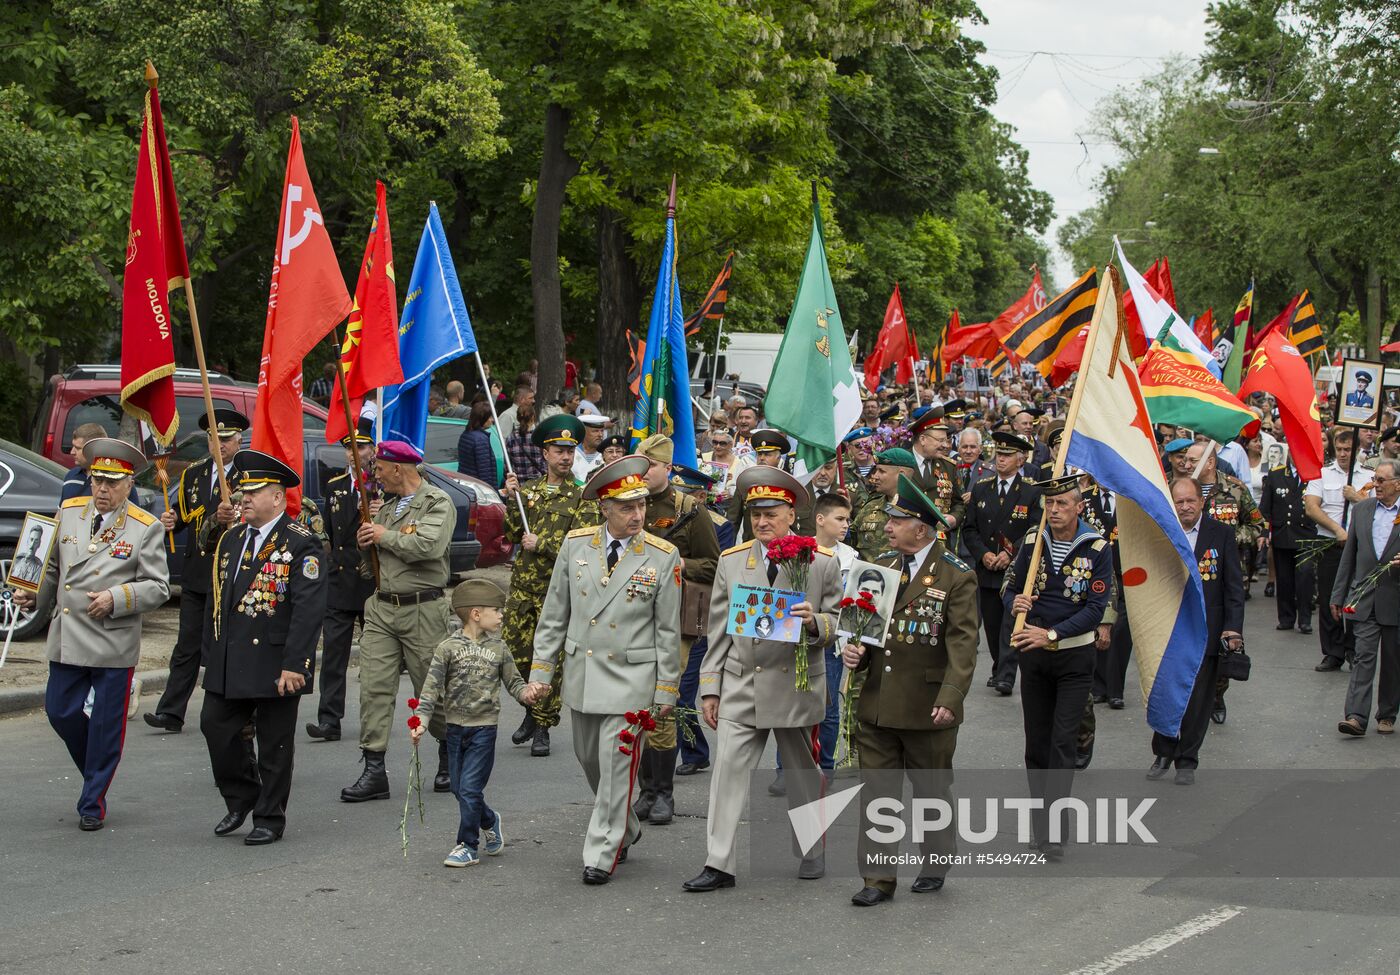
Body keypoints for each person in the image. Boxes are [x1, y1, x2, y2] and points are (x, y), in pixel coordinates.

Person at [683, 466, 841, 893]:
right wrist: (711, 687)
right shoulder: (733, 562)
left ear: (792, 515)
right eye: (755, 514)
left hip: (795, 684)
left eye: (772, 513)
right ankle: (719, 862)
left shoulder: (821, 562)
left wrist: (816, 623)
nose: (762, 522)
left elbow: (839, 620)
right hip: (742, 681)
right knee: (727, 774)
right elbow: (717, 630)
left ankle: (811, 847)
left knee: (803, 773)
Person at [526, 456, 682, 885]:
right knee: (590, 760)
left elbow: (668, 629)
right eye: (626, 507)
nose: (637, 515)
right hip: (583, 674)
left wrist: (666, 689)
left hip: (632, 680)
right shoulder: (576, 546)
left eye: (642, 506)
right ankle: (626, 826)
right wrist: (541, 670)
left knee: (616, 767)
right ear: (604, 508)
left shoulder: (662, 556)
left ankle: (601, 851)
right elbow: (554, 614)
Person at [13, 438, 168, 830]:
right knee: (59, 711)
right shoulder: (69, 511)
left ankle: (92, 800)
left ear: (129, 485)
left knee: (104, 725)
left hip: (111, 638)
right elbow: (50, 567)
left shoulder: (144, 527)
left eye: (112, 483)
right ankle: (96, 770)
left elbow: (159, 586)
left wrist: (118, 597)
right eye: (97, 480)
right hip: (68, 634)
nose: (102, 490)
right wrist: (31, 593)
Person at [842, 474, 978, 905]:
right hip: (879, 702)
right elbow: (866, 629)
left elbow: (963, 643)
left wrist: (951, 697)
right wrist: (855, 652)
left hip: (927, 705)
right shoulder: (880, 565)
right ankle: (877, 880)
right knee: (878, 794)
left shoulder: (956, 575)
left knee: (930, 791)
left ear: (921, 528)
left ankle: (935, 861)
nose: (887, 526)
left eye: (896, 520)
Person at [200, 450, 325, 844]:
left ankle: (269, 816)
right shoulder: (232, 538)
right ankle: (242, 795)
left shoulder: (301, 544)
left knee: (275, 745)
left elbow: (308, 611)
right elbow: (216, 601)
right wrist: (211, 657)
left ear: (277, 496)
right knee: (214, 725)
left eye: (253, 492)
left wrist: (296, 664)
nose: (244, 499)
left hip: (276, 659)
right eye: (242, 492)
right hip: (231, 656)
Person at [340, 440, 458, 802]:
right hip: (382, 609)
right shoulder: (387, 508)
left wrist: (382, 536)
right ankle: (374, 768)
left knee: (430, 689)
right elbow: (373, 562)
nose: (374, 474)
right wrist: (365, 542)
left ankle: (448, 753)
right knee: (374, 688)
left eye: (378, 468)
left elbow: (429, 547)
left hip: (423, 609)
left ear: (398, 469)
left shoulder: (437, 502)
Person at [1004, 475, 1112, 855]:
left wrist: (1051, 635)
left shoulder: (1096, 547)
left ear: (1079, 507)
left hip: (1073, 656)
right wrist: (1014, 603)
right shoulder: (1034, 541)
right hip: (1032, 655)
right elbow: (1011, 585)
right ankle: (1039, 825)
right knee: (1037, 744)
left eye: (1063, 504)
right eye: (1050, 504)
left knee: (1062, 742)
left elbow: (1095, 609)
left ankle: (1054, 833)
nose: (1054, 511)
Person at [632, 435, 719, 826]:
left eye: (650, 466)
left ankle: (662, 792)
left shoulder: (689, 509)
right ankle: (645, 790)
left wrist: (678, 563)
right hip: (631, 617)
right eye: (639, 464)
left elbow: (713, 566)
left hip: (674, 620)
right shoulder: (626, 504)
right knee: (634, 703)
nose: (643, 472)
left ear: (666, 467)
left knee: (662, 700)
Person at [501, 415, 600, 757]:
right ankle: (531, 710)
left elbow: (583, 550)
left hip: (555, 594)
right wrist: (511, 498)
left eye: (570, 451)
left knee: (551, 661)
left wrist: (540, 544)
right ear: (545, 453)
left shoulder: (583, 497)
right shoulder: (528, 491)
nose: (566, 458)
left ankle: (543, 723)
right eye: (559, 451)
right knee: (517, 655)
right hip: (523, 592)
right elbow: (512, 533)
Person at [410, 579, 526, 866]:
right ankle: (489, 819)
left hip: (484, 729)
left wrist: (530, 693)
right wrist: (421, 720)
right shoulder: (447, 648)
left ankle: (467, 845)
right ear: (476, 614)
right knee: (457, 788)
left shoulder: (499, 648)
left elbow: (515, 683)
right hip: (454, 728)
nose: (501, 615)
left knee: (470, 789)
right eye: (496, 610)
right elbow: (431, 687)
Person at [143, 408, 245, 734]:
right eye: (216, 439)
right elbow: (184, 515)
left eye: (227, 439)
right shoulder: (195, 473)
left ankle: (226, 711)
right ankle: (171, 711)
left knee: (221, 644)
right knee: (186, 645)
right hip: (198, 572)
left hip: (230, 575)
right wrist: (171, 521)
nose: (222, 445)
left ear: (239, 441)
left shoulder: (248, 475)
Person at [1148, 478, 1244, 782]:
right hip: (1170, 627)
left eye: (1191, 501)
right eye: (1179, 502)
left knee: (1199, 697)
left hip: (1207, 629)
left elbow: (1233, 587)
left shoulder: (1222, 534)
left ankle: (1187, 761)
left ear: (1201, 502)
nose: (1186, 507)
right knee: (1166, 692)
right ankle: (1163, 750)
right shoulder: (1163, 532)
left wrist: (1232, 628)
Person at [307, 419, 378, 743]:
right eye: (349, 447)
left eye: (360, 446)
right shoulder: (335, 485)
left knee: (376, 657)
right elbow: (331, 535)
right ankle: (329, 719)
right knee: (334, 654)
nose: (353, 453)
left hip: (369, 581)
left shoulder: (381, 487)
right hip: (338, 580)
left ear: (373, 450)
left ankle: (374, 719)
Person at [963, 432, 1043, 695]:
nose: (1002, 459)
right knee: (993, 623)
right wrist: (983, 554)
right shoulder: (982, 488)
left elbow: (1034, 529)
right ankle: (999, 665)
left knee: (1010, 620)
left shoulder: (1031, 491)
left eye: (1008, 455)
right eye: (999, 454)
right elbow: (970, 529)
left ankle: (1006, 675)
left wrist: (1011, 554)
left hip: (1014, 568)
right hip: (987, 567)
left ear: (1020, 460)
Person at [1330, 459, 1400, 737]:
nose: (1375, 485)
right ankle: (1356, 716)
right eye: (1375, 478)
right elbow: (1349, 557)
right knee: (1362, 657)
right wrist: (1338, 595)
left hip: (1395, 600)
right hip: (1364, 598)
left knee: (1394, 661)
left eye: (1382, 480)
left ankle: (1387, 713)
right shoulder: (1361, 510)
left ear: (1398, 483)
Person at [1306, 428, 1372, 673]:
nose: (1343, 454)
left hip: (1360, 546)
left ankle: (1353, 649)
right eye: (1339, 449)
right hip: (1330, 543)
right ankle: (1333, 652)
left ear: (1356, 450)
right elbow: (1312, 508)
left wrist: (1357, 498)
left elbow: (1380, 509)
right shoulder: (1322, 475)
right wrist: (1337, 529)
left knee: (1356, 599)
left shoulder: (1369, 476)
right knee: (1328, 598)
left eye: (1347, 450)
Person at [812, 492, 857, 772]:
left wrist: (852, 639)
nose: (845, 525)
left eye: (848, 520)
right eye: (839, 519)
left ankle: (825, 766)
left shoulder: (850, 556)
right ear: (820, 519)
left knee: (828, 709)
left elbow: (852, 600)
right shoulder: (799, 549)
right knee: (793, 708)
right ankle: (786, 770)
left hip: (833, 638)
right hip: (802, 635)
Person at [1261, 452, 1315, 634]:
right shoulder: (1276, 475)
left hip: (1306, 534)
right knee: (1284, 579)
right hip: (1282, 534)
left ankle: (1305, 619)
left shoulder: (1315, 474)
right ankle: (1286, 618)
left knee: (1305, 577)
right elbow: (1265, 508)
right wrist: (1263, 532)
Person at [852, 448, 917, 560]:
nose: (875, 476)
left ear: (901, 474)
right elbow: (850, 542)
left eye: (881, 471)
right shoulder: (870, 507)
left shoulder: (921, 511)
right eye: (876, 471)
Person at [62, 422, 108, 502]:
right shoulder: (71, 475)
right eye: (73, 446)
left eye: (78, 448)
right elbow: (61, 513)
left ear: (95, 449)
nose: (72, 452)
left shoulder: (119, 482)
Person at [456, 402, 499, 486]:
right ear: (482, 418)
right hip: (478, 486)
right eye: (490, 417)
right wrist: (491, 490)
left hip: (466, 482)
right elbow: (485, 471)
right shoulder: (481, 439)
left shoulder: (466, 434)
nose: (492, 420)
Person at [572, 414, 610, 483]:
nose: (600, 435)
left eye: (602, 431)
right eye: (595, 431)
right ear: (584, 432)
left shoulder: (607, 454)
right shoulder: (572, 452)